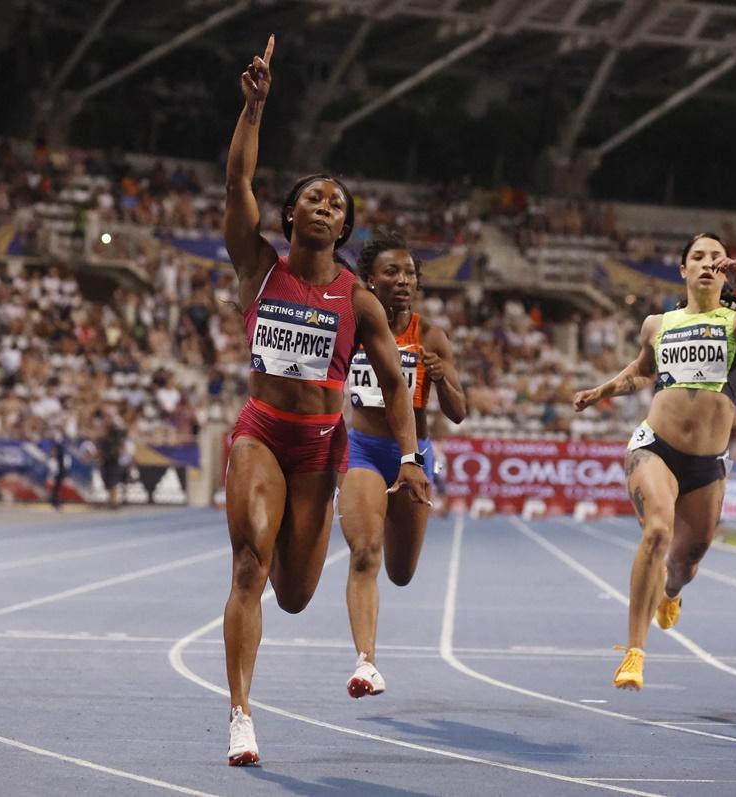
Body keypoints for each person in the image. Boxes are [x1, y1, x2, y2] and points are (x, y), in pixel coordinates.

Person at [221, 36, 431, 766]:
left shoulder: (361, 300)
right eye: (312, 195)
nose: (324, 204)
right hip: (260, 432)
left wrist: (409, 455)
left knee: (298, 590)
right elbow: (236, 183)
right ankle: (241, 715)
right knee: (249, 560)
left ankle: (281, 560)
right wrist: (254, 109)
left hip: (319, 448)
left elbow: (399, 383)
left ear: (345, 228)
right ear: (289, 216)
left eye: (335, 203)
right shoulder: (258, 266)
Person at [573, 232, 736, 691]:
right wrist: (603, 389)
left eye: (716, 258)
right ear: (683, 270)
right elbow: (642, 371)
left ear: (726, 270)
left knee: (686, 562)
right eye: (697, 257)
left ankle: (672, 593)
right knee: (657, 530)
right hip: (655, 447)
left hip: (707, 464)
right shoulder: (656, 325)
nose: (707, 263)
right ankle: (634, 653)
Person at [340, 230, 466, 698]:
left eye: (410, 272)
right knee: (365, 552)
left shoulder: (431, 335)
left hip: (415, 455)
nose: (402, 280)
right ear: (370, 281)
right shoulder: (352, 328)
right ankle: (366, 662)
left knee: (401, 571)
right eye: (391, 272)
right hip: (364, 450)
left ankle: (368, 655)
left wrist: (442, 377)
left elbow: (458, 410)